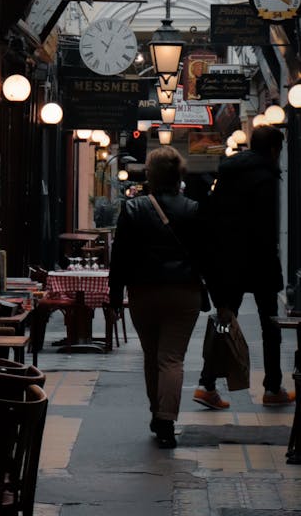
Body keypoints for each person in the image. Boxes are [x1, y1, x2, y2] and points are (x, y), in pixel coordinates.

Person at [109, 146, 206, 448]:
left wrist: (114, 297)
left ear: (149, 175)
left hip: (144, 291)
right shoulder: (193, 209)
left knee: (152, 355)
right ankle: (166, 419)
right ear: (179, 175)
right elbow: (207, 256)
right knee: (172, 358)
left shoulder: (133, 209)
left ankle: (157, 412)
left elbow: (120, 257)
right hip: (183, 292)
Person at [194, 124, 293, 410]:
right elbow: (264, 227)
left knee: (226, 321)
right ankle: (273, 388)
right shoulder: (266, 177)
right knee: (270, 325)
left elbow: (213, 217)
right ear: (274, 150)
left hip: (227, 261)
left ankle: (207, 384)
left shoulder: (228, 173)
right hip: (258, 261)